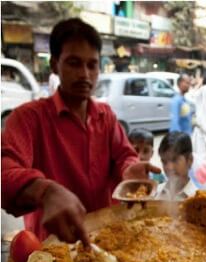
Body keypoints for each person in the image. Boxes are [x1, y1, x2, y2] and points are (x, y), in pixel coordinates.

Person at [1, 18, 159, 246]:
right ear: (55, 65)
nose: (84, 74)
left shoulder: (106, 116)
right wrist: (44, 191)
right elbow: (4, 172)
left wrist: (129, 170)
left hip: (106, 241)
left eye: (92, 65)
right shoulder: (27, 118)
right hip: (52, 248)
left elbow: (124, 156)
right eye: (74, 63)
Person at [155, 131, 198, 201]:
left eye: (174, 160)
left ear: (190, 160)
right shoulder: (156, 193)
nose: (169, 167)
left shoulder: (197, 199)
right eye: (164, 161)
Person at [187, 70, 206, 164]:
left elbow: (190, 96)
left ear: (204, 78)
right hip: (204, 125)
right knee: (201, 154)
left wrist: (198, 84)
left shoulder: (205, 89)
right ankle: (201, 175)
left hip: (203, 126)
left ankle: (201, 176)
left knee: (201, 155)